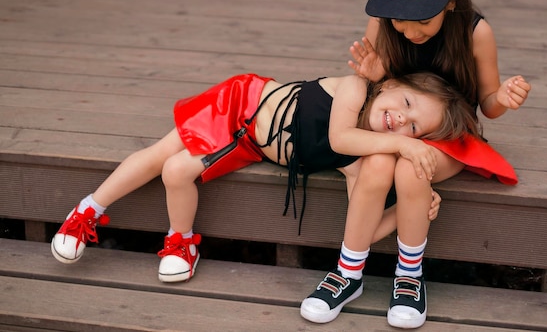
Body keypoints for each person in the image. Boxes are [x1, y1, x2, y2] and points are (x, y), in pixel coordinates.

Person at [300, 0, 530, 329]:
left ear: (452, 1)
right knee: (376, 164)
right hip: (399, 123)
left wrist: (504, 100)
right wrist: (378, 73)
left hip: (447, 132)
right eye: (399, 19)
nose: (409, 31)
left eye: (422, 19)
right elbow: (381, 85)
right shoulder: (384, 23)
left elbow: (488, 105)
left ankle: (409, 275)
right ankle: (348, 273)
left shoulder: (476, 32)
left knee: (411, 167)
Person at [51, 71, 478, 283]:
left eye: (414, 128)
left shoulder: (358, 161)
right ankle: (88, 209)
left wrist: (411, 209)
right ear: (387, 84)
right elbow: (341, 136)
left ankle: (180, 242)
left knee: (177, 169)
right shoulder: (354, 89)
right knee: (163, 152)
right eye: (405, 102)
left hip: (249, 143)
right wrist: (403, 146)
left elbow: (360, 229)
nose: (400, 120)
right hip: (242, 104)